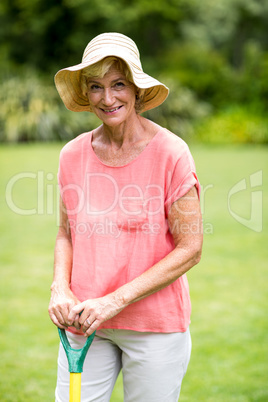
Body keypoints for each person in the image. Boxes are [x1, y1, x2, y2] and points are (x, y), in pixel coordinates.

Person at [48, 32, 203, 402]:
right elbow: (67, 233)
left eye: (118, 84)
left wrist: (114, 301)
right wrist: (60, 286)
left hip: (155, 326)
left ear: (135, 89)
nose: (108, 97)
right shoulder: (72, 154)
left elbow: (191, 248)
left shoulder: (171, 153)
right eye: (96, 86)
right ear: (86, 93)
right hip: (85, 322)